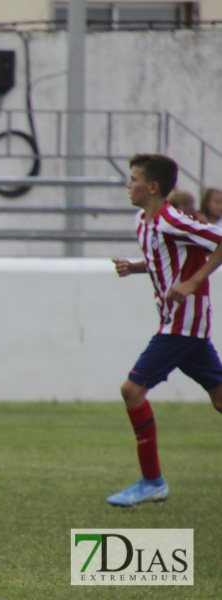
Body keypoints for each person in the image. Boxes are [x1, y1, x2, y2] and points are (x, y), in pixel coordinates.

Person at [107, 153, 222, 508]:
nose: (128, 184)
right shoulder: (144, 221)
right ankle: (151, 481)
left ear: (152, 187)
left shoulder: (172, 220)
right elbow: (163, 260)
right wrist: (136, 267)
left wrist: (194, 281)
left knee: (132, 390)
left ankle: (152, 481)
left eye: (134, 178)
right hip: (179, 326)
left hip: (181, 326)